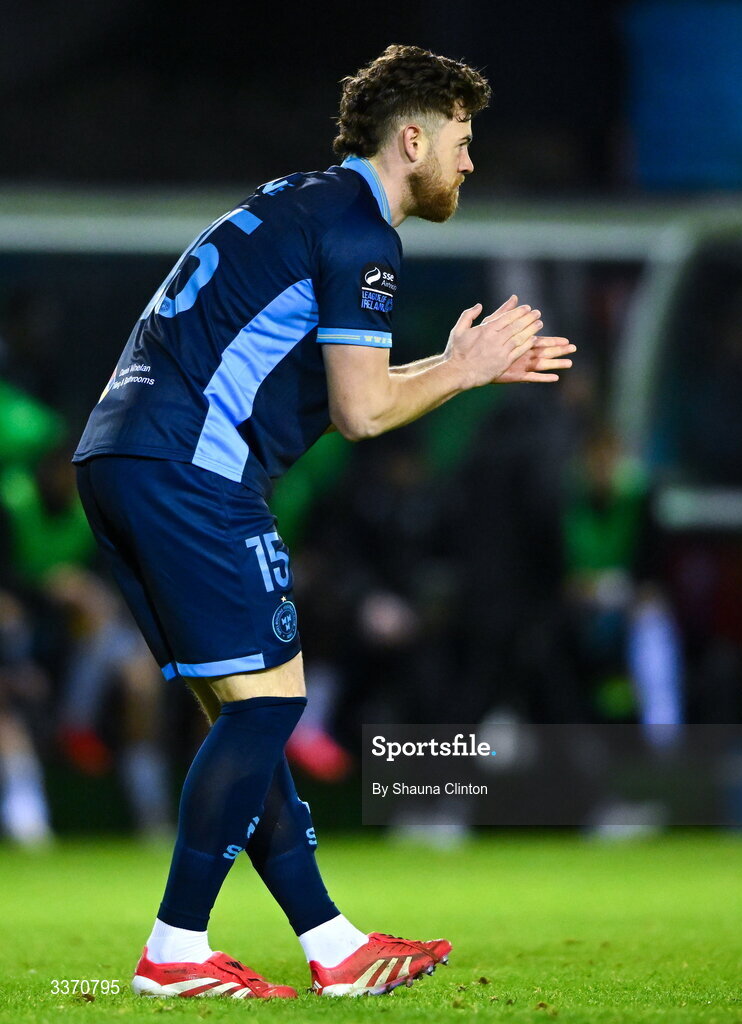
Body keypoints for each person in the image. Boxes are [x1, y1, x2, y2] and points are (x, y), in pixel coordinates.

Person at [72, 44, 575, 1000]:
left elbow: (360, 387)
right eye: (462, 142)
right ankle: (174, 949)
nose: (470, 163)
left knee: (247, 715)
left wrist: (452, 365)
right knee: (269, 709)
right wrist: (461, 370)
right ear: (413, 137)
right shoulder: (361, 234)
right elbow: (364, 414)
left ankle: (330, 941)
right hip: (189, 469)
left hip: (126, 458)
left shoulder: (301, 202)